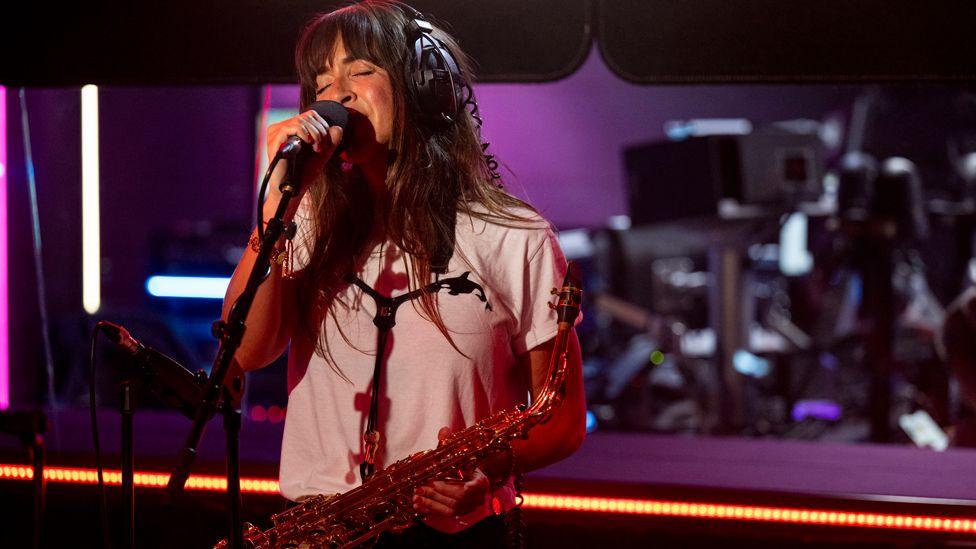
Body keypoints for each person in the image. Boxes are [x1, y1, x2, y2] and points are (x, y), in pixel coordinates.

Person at [222, 0, 585, 544]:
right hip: (318, 527)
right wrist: (277, 207)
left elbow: (562, 416)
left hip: (452, 531)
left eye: (360, 72)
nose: (336, 94)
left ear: (423, 86)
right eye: (322, 80)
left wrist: (489, 471)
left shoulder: (515, 236)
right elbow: (246, 353)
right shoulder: (306, 223)